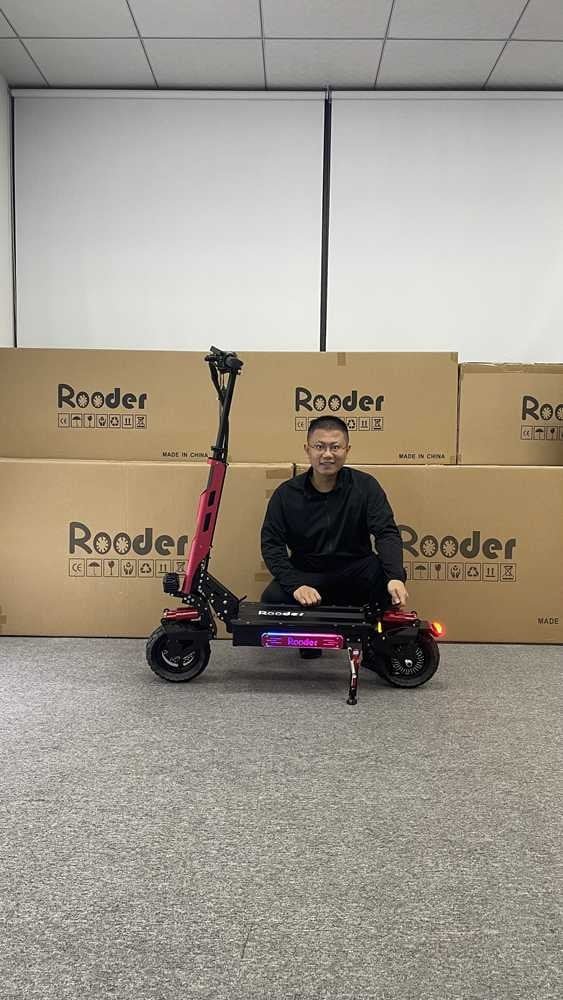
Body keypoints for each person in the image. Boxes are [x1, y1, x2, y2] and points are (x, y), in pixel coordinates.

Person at [260, 415, 408, 656]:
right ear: (307, 449)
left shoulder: (366, 486)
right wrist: (295, 585)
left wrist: (395, 577)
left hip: (354, 571)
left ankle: (373, 643)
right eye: (319, 446)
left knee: (389, 578)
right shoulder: (286, 494)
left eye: (335, 447)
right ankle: (310, 636)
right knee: (272, 598)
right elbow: (271, 544)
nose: (327, 454)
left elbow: (386, 532)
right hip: (308, 574)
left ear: (347, 450)